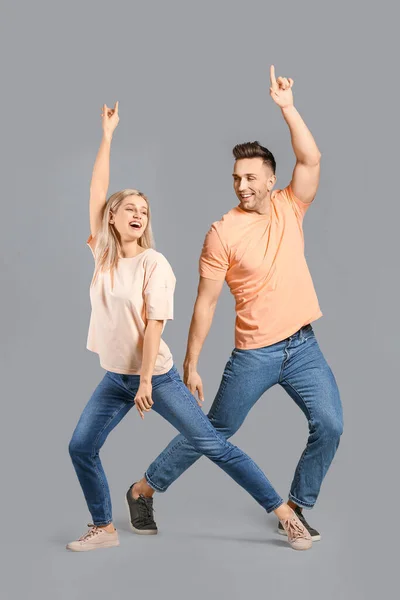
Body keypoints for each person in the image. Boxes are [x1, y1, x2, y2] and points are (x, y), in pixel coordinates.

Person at [66, 100, 314, 553]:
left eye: (144, 209)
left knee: (215, 445)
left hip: (155, 377)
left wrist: (146, 380)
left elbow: (154, 324)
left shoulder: (153, 263)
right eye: (129, 209)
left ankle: (284, 514)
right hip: (116, 377)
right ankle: (103, 527)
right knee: (81, 447)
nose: (138, 214)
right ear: (111, 218)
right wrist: (107, 137)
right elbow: (95, 190)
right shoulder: (102, 256)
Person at [130, 66, 344, 543]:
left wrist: (287, 108)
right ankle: (144, 489)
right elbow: (204, 304)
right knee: (214, 432)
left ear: (270, 179)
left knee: (330, 424)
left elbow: (310, 159)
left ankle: (298, 507)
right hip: (255, 355)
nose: (242, 185)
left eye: (250, 177)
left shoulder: (291, 205)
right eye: (235, 178)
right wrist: (191, 363)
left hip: (303, 346)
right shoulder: (221, 232)